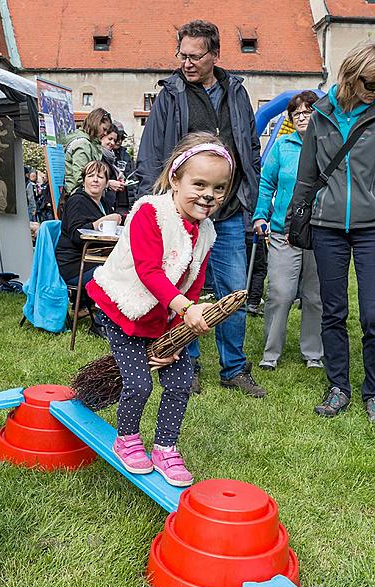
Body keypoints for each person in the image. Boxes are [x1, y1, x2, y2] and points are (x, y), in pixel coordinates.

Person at [86, 133, 233, 486]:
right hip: (122, 309)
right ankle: (127, 439)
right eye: (199, 184)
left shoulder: (206, 230)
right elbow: (149, 271)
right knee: (138, 385)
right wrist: (185, 310)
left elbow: (193, 281)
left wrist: (178, 336)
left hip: (163, 317)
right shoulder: (149, 213)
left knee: (181, 380)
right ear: (175, 179)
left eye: (219, 187)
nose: (209, 195)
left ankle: (165, 447)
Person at [135, 20, 265, 397]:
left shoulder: (235, 91)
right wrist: (153, 206)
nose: (187, 63)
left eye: (195, 56)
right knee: (184, 291)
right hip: (182, 214)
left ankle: (235, 368)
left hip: (226, 214)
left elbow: (249, 147)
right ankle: (186, 362)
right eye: (182, 55)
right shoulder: (170, 95)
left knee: (234, 291)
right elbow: (151, 155)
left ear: (215, 55)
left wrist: (249, 194)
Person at [288, 43, 375, 422]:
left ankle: (373, 392)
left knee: (373, 315)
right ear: (352, 76)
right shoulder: (320, 115)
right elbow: (307, 173)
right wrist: (297, 216)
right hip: (326, 228)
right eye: (370, 83)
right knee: (332, 310)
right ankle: (339, 386)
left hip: (371, 227)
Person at [253, 91, 323, 370]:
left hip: (319, 230)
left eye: (308, 113)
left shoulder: (327, 146)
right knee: (280, 293)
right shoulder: (282, 146)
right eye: (297, 114)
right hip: (284, 231)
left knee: (315, 296)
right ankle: (271, 354)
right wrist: (260, 215)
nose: (302, 118)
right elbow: (266, 183)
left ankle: (313, 353)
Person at [56, 160, 121, 336]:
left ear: (107, 183)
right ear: (83, 180)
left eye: (100, 177)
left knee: (125, 267)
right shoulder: (77, 200)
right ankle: (100, 324)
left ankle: (110, 317)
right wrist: (101, 222)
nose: (95, 180)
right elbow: (77, 236)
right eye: (90, 176)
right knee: (117, 275)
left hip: (91, 259)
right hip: (74, 265)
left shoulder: (104, 203)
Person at [64, 108, 111, 195]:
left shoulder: (87, 143)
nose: (105, 133)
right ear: (96, 123)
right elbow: (80, 177)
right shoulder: (83, 144)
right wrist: (108, 184)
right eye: (104, 129)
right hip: (80, 195)